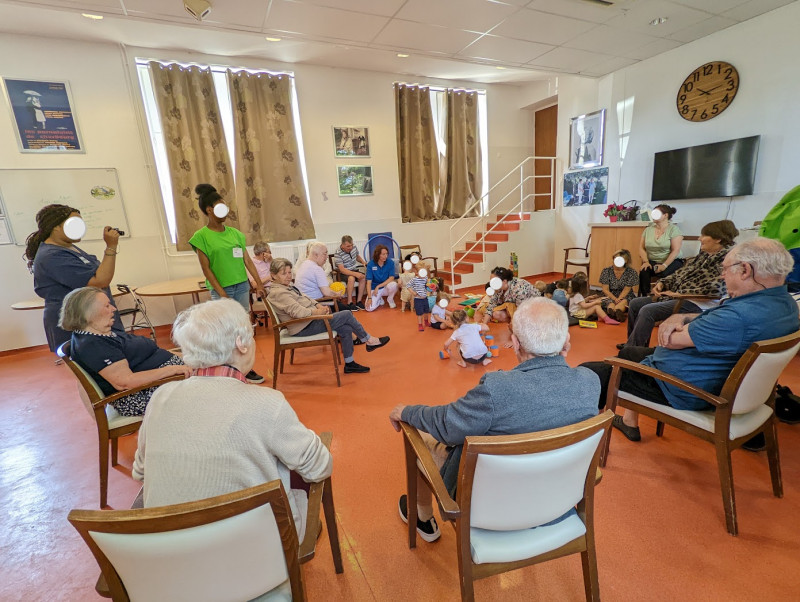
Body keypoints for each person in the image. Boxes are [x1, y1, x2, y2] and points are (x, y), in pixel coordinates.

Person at [389, 297, 599, 542]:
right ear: (566, 342)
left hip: (491, 509)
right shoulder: (590, 382)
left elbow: (447, 425)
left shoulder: (497, 389)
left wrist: (406, 412)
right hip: (558, 503)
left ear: (515, 343)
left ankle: (422, 517)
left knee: (420, 436)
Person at [132, 298, 332, 540]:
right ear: (241, 343)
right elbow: (319, 467)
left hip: (173, 552)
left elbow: (140, 471)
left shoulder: (160, 397)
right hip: (256, 551)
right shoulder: (267, 402)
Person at [581, 238, 799, 444]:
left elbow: (670, 340)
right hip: (716, 378)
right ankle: (630, 422)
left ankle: (576, 442)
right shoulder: (786, 306)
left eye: (725, 269)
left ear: (745, 270)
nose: (722, 276)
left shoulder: (736, 318)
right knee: (630, 353)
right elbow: (710, 323)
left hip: (682, 387)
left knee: (590, 373)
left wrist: (678, 323)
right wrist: (681, 316)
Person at [60, 287, 189, 416]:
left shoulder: (101, 333)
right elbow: (125, 382)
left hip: (156, 384)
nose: (113, 309)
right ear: (89, 313)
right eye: (107, 306)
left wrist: (186, 358)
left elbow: (151, 355)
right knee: (205, 386)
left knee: (206, 368)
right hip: (139, 396)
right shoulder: (93, 345)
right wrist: (173, 369)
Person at [188, 183, 265, 384]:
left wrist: (258, 283)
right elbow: (206, 269)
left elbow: (247, 261)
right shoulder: (201, 237)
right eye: (219, 207)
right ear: (209, 210)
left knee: (243, 328)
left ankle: (246, 368)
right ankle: (227, 368)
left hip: (241, 286)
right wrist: (221, 293)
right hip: (222, 289)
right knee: (225, 330)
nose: (225, 211)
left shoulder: (235, 234)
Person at [621, 220, 738, 349]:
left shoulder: (726, 260)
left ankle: (632, 350)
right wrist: (662, 283)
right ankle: (633, 345)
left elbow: (716, 290)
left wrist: (678, 294)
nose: (700, 238)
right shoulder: (702, 256)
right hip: (678, 298)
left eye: (704, 235)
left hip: (696, 303)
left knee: (648, 310)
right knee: (635, 303)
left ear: (718, 239)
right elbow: (679, 273)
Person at [25, 203, 124, 352]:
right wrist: (111, 246)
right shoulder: (52, 256)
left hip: (94, 318)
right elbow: (99, 281)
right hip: (80, 324)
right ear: (55, 226)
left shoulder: (68, 247)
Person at [267, 258, 389, 374]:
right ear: (273, 275)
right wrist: (317, 312)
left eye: (289, 272)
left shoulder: (286, 287)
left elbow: (305, 298)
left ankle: (349, 363)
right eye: (284, 273)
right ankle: (369, 340)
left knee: (346, 328)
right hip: (303, 326)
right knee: (346, 314)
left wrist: (317, 305)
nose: (289, 276)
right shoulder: (279, 293)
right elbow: (298, 313)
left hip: (308, 321)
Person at [638, 204, 684, 296]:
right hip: (653, 261)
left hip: (672, 261)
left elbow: (675, 250)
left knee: (665, 273)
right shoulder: (648, 230)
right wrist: (646, 261)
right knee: (644, 271)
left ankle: (662, 297)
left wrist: (664, 265)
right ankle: (646, 296)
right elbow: (641, 248)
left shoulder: (674, 229)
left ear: (665, 215)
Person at [598, 249, 639, 322]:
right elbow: (605, 289)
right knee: (610, 302)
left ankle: (617, 312)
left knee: (624, 302)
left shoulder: (631, 272)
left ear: (626, 261)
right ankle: (611, 311)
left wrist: (619, 299)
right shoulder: (606, 271)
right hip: (610, 294)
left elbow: (627, 289)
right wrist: (614, 299)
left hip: (625, 295)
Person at [333, 235, 367, 311]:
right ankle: (349, 303)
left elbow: (357, 256)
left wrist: (363, 262)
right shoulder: (338, 253)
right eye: (348, 246)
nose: (350, 247)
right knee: (351, 278)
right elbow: (342, 270)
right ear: (343, 245)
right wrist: (355, 274)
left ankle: (359, 301)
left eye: (351, 245)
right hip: (344, 273)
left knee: (363, 278)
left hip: (354, 269)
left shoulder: (354, 247)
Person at [365, 244, 398, 311]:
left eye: (386, 254)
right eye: (383, 254)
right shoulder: (370, 264)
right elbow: (368, 283)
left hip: (385, 287)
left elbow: (391, 278)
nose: (385, 256)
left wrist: (378, 286)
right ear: (377, 255)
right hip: (374, 289)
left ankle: (390, 299)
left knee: (394, 285)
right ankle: (379, 298)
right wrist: (370, 298)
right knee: (369, 309)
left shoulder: (390, 262)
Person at [406, 261, 431, 331]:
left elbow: (427, 286)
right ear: (417, 272)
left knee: (426, 311)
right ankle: (420, 324)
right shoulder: (414, 279)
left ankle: (426, 321)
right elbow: (408, 286)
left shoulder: (425, 278)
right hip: (418, 299)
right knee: (419, 313)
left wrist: (430, 287)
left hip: (425, 298)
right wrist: (413, 292)